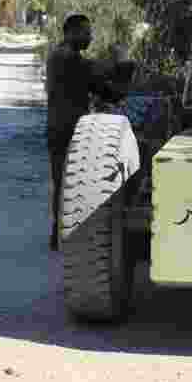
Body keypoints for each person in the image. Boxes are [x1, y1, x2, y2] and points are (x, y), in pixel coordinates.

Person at [45, 13, 129, 251]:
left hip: (58, 127)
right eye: (86, 32)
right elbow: (102, 81)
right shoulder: (68, 59)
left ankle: (60, 232)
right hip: (69, 129)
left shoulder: (59, 55)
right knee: (70, 181)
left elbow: (96, 80)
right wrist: (122, 62)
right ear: (70, 32)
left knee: (63, 180)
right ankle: (66, 233)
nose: (90, 37)